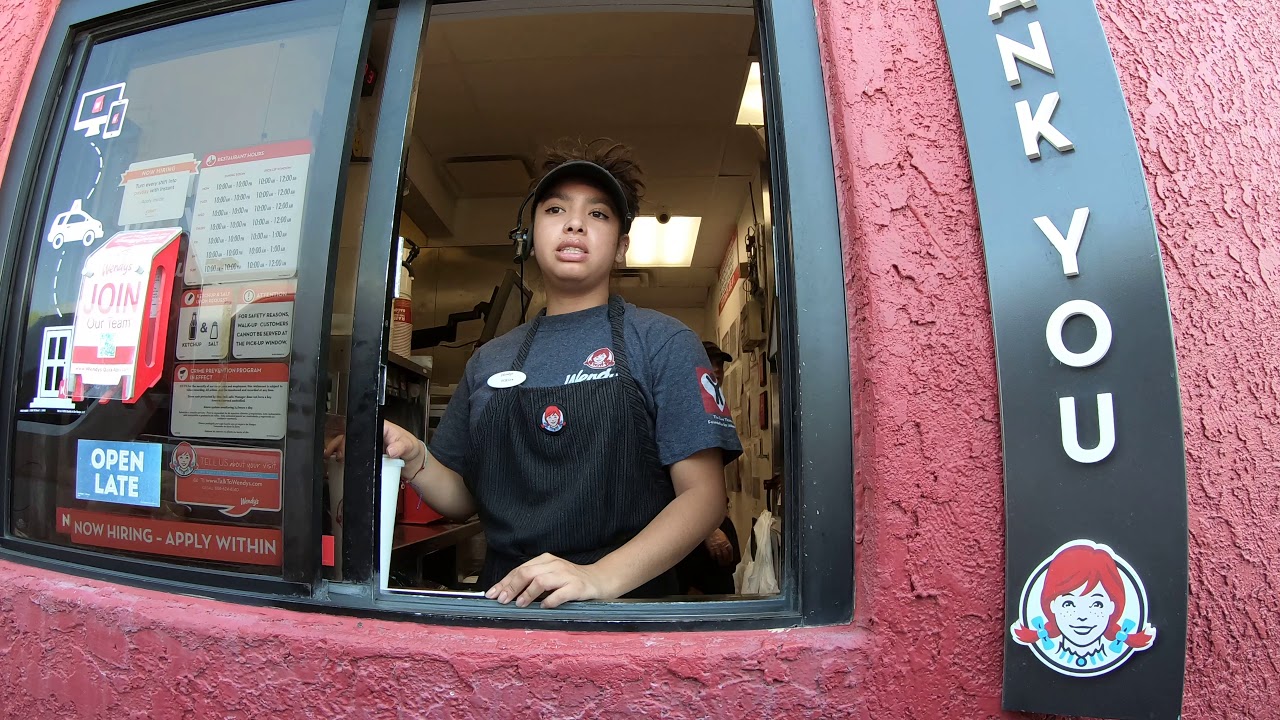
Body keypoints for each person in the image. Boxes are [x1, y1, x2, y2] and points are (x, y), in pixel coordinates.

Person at [382, 138, 742, 609]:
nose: (574, 222)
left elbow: (704, 496)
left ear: (621, 248)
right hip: (504, 605)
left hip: (625, 607)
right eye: (555, 209)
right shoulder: (489, 359)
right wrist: (414, 458)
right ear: (530, 236)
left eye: (598, 214)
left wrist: (599, 578)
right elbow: (464, 497)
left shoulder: (662, 342)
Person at [675, 341, 740, 594]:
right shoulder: (683, 408)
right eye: (709, 363)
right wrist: (707, 530)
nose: (716, 370)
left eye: (720, 364)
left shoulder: (713, 407)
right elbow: (668, 482)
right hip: (694, 533)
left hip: (714, 523)